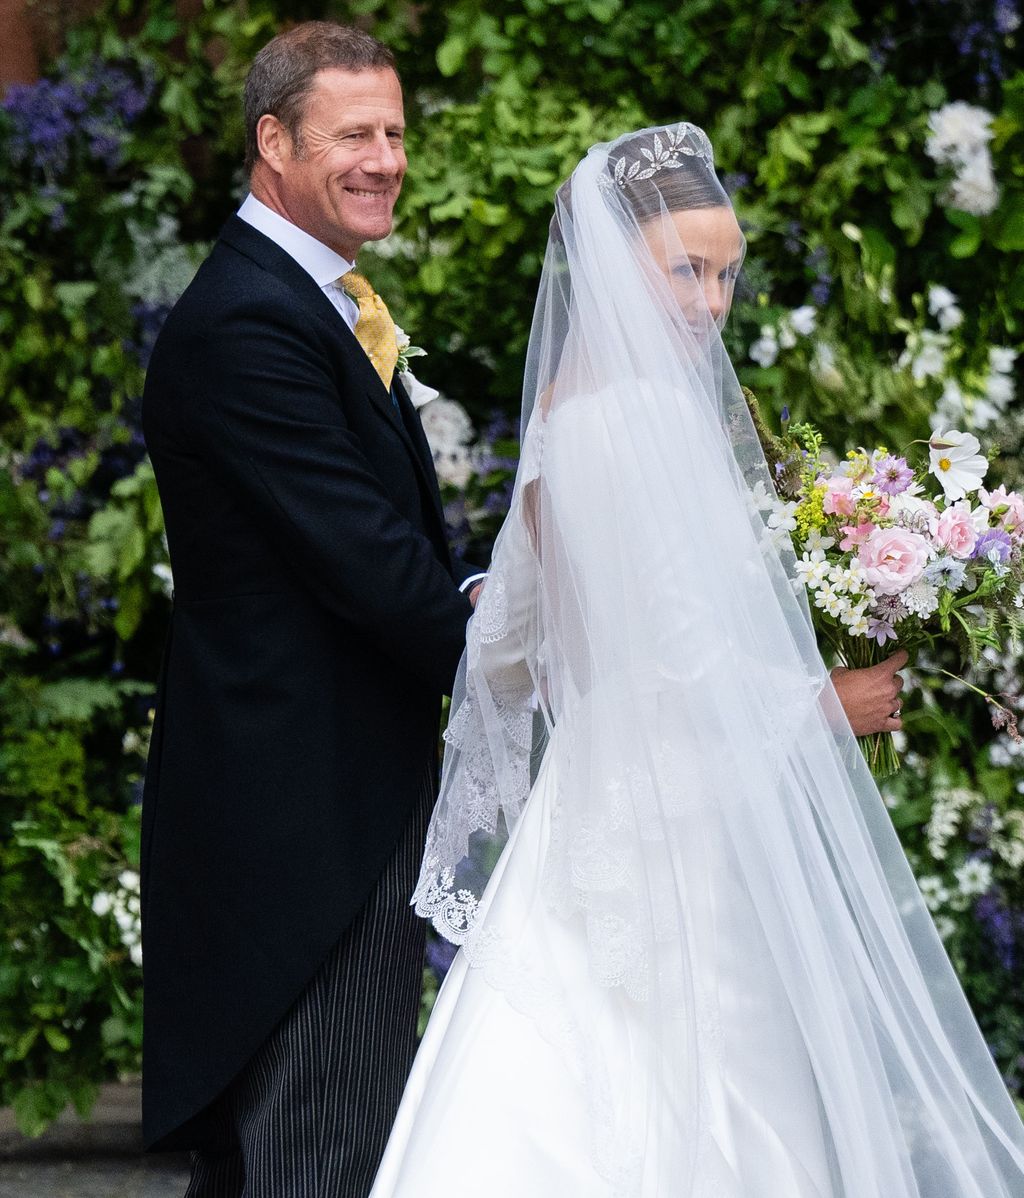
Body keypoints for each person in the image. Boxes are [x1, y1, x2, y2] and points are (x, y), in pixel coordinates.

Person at [369, 123, 1024, 1197]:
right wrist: (824, 700)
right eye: (684, 270)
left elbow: (510, 637)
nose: (711, 300)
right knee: (687, 1070)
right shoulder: (634, 416)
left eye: (726, 274)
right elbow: (678, 652)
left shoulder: (563, 413)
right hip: (668, 813)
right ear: (613, 263)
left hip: (599, 797)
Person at [140, 22, 481, 1196]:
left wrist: (487, 599)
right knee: (321, 1156)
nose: (384, 157)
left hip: (323, 795)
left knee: (283, 1162)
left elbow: (382, 555)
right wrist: (542, 651)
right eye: (354, 134)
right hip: (307, 826)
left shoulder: (306, 296)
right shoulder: (249, 322)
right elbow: (374, 571)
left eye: (393, 131)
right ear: (273, 141)